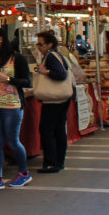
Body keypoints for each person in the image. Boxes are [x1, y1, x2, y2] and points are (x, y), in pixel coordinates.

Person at [0, 27, 32, 190]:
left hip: (12, 105)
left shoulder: (17, 59)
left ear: (1, 39)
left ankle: (24, 173)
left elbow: (26, 82)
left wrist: (8, 78)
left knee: (12, 141)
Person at [35, 30, 71, 173]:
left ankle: (51, 162)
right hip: (62, 98)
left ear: (49, 44)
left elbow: (61, 74)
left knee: (47, 129)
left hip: (53, 100)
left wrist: (46, 72)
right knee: (59, 130)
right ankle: (58, 161)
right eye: (37, 44)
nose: (38, 47)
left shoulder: (51, 56)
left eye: (41, 44)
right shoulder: (58, 55)